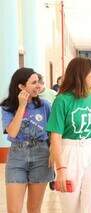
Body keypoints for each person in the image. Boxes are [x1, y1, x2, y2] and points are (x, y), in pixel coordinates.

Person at [46, 57, 91, 213]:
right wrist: (60, 169)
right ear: (81, 74)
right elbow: (55, 137)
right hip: (71, 152)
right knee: (71, 206)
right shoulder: (62, 100)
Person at [1, 67, 54, 213]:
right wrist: (22, 106)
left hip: (41, 156)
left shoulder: (45, 106)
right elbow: (12, 132)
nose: (39, 85)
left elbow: (53, 133)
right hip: (17, 156)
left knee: (34, 209)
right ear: (21, 86)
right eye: (34, 82)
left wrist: (53, 152)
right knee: (13, 210)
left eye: (39, 81)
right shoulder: (7, 107)